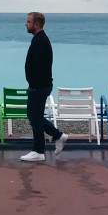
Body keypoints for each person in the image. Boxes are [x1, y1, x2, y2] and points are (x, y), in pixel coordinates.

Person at [20, 11, 67, 162]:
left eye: (28, 22)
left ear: (36, 24)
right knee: (35, 116)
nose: (25, 24)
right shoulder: (38, 39)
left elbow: (40, 67)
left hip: (39, 87)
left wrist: (34, 85)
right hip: (39, 86)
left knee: (35, 117)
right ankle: (58, 136)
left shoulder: (41, 41)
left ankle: (39, 151)